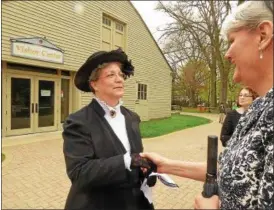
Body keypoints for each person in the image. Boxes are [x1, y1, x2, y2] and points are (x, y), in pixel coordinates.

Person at [141, 1, 273, 209]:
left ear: (263, 35)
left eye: (232, 40)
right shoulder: (258, 109)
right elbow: (228, 169)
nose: (227, 54)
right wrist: (165, 165)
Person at [62, 49, 156, 210]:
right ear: (94, 84)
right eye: (111, 75)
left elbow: (135, 160)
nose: (119, 79)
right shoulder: (78, 121)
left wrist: (146, 170)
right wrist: (127, 161)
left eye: (120, 74)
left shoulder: (132, 117)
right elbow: (79, 173)